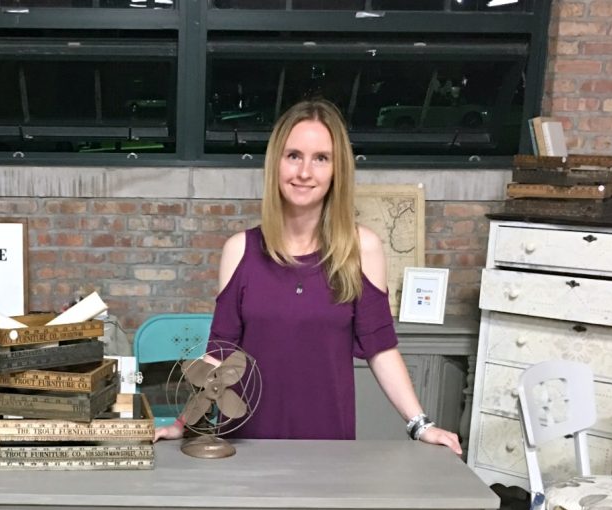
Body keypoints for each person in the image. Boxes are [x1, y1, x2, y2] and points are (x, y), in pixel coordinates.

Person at [154, 98, 462, 455]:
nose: (304, 172)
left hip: (327, 447)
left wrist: (421, 425)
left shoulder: (362, 249)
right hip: (245, 444)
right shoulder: (239, 250)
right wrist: (182, 423)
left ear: (336, 171)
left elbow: (381, 349)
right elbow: (220, 353)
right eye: (294, 156)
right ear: (276, 164)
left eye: (321, 158)